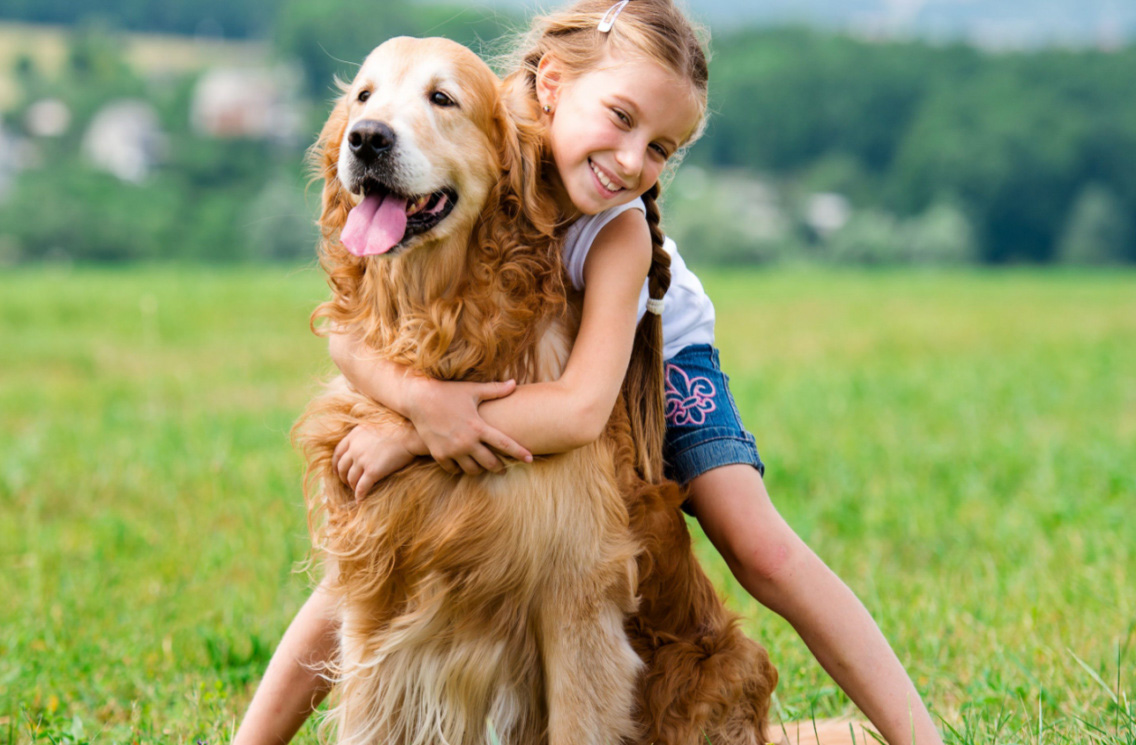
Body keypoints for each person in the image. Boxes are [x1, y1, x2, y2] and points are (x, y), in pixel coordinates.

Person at [233, 2, 944, 744]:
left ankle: (915, 733)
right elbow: (349, 334)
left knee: (758, 547)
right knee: (368, 557)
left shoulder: (620, 230)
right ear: (549, 83)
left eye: (661, 147)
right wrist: (418, 400)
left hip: (655, 358)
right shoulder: (473, 128)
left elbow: (577, 408)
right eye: (620, 117)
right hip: (510, 359)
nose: (633, 160)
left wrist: (416, 434)